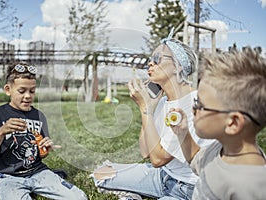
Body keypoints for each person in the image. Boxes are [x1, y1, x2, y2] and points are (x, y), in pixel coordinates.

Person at [91, 29, 213, 200]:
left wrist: (145, 109)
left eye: (157, 59)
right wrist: (150, 107)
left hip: (188, 189)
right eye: (150, 60)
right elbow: (145, 152)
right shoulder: (163, 102)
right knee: (101, 175)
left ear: (178, 66)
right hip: (162, 175)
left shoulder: (195, 104)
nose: (150, 64)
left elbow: (157, 159)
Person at [0, 63, 87, 200]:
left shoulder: (39, 116)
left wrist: (44, 150)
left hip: (38, 172)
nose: (28, 96)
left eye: (32, 91)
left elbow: (40, 155)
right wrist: (1, 131)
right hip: (8, 177)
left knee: (79, 197)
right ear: (8, 90)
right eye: (21, 91)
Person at [169, 48, 266, 199]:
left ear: (233, 123)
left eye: (199, 105)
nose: (193, 110)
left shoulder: (251, 186)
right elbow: (196, 158)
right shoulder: (221, 148)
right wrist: (183, 133)